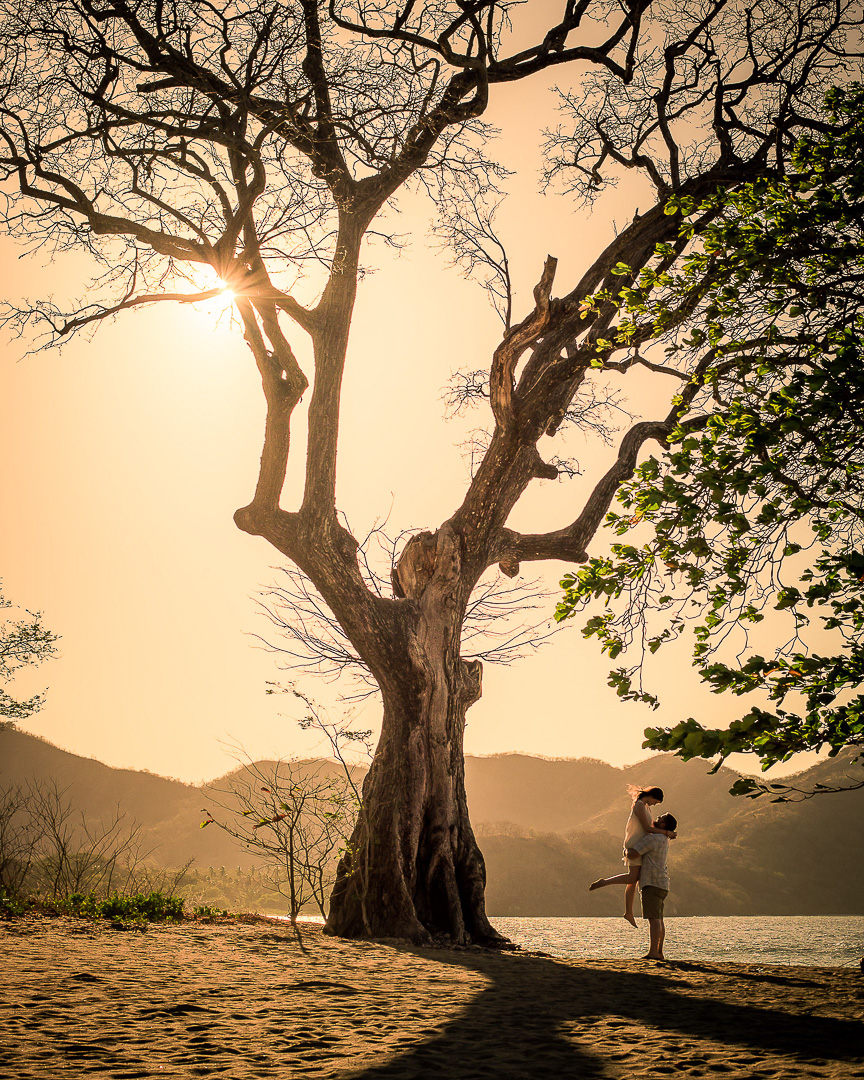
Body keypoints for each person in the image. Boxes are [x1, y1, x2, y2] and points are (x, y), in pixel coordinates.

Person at [588, 785, 675, 927]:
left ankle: (628, 912)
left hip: (642, 845)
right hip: (636, 845)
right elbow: (647, 828)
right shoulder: (639, 806)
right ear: (652, 796)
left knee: (633, 879)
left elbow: (651, 826)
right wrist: (667, 833)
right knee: (633, 877)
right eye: (656, 802)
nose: (654, 804)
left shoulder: (646, 807)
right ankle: (605, 883)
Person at [626, 812, 677, 961]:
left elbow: (633, 854)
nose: (657, 818)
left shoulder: (653, 839)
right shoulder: (663, 839)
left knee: (654, 919)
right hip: (662, 883)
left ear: (663, 825)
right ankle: (659, 952)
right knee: (659, 919)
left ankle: (653, 952)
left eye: (661, 818)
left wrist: (625, 850)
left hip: (652, 882)